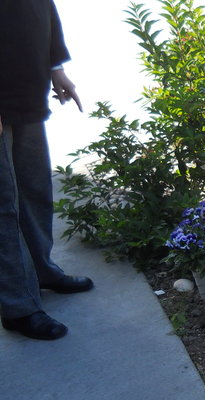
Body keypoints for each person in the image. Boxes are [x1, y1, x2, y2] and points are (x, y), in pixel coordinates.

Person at [0, 0, 93, 340]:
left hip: (26, 89)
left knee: (35, 190)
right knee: (3, 206)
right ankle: (18, 306)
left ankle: (41, 270)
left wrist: (56, 66)